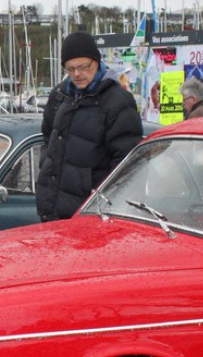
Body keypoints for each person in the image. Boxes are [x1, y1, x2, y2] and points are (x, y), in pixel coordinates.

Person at [36, 31, 144, 221]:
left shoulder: (118, 102)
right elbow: (47, 136)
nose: (77, 74)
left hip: (91, 213)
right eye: (70, 69)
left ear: (97, 62)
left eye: (83, 67)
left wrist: (101, 201)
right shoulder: (59, 95)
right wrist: (47, 164)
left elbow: (126, 165)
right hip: (52, 208)